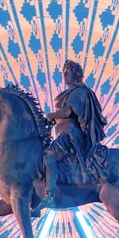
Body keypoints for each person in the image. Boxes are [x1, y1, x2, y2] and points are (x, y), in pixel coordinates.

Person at [41, 60, 108, 208]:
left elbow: (66, 112)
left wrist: (50, 115)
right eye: (63, 73)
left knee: (50, 157)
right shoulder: (72, 92)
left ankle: (49, 195)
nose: (64, 76)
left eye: (67, 73)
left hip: (72, 135)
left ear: (76, 74)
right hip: (65, 134)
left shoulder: (79, 92)